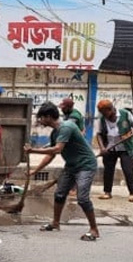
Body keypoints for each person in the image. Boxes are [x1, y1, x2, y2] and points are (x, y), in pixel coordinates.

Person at [25, 102, 100, 241]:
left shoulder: (66, 127)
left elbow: (57, 149)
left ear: (48, 117)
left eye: (41, 117)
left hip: (86, 166)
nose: (40, 120)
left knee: (82, 198)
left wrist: (33, 150)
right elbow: (50, 155)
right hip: (71, 166)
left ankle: (94, 229)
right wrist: (35, 170)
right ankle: (55, 223)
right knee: (59, 194)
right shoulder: (55, 132)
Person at [95, 99, 133, 202]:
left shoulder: (126, 114)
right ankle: (107, 192)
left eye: (105, 112)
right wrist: (102, 148)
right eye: (102, 113)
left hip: (125, 147)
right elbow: (98, 134)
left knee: (128, 170)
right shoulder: (101, 119)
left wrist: (129, 134)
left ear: (111, 109)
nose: (104, 115)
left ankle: (132, 193)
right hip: (109, 148)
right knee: (108, 170)